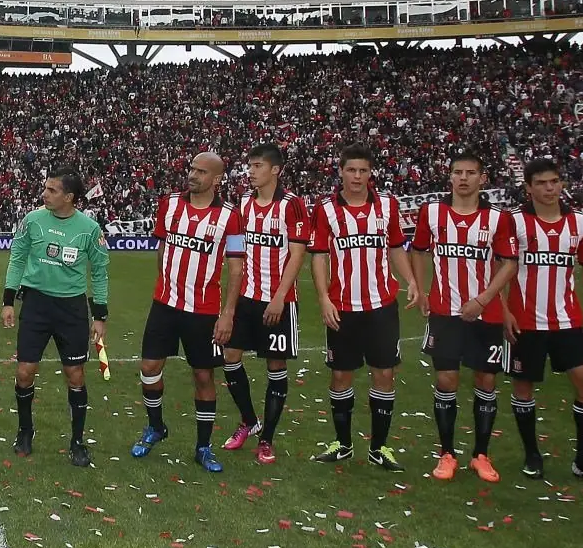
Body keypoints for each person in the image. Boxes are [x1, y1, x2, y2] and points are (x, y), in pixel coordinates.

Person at [469, 158, 583, 489]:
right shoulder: (514, 221)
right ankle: (532, 454)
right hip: (524, 321)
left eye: (554, 181)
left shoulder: (579, 222)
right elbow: (499, 267)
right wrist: (504, 310)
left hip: (568, 320)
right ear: (528, 188)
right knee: (523, 388)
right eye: (541, 183)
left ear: (561, 183)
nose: (549, 188)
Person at [310, 144, 416, 471]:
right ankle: (343, 444)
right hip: (342, 307)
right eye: (351, 170)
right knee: (341, 375)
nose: (357, 176)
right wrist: (324, 298)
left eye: (363, 170)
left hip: (381, 306)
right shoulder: (326, 209)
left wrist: (411, 280)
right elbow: (319, 256)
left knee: (384, 373)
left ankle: (379, 448)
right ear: (340, 171)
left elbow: (396, 247)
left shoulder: (387, 205)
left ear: (370, 173)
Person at [131, 150, 238, 473]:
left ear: (217, 179)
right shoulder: (170, 204)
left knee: (204, 375)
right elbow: (163, 249)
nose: (193, 175)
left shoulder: (231, 217)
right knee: (149, 368)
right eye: (191, 169)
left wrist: (227, 314)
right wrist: (165, 284)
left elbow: (236, 268)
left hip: (203, 311)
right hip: (165, 305)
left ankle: (203, 447)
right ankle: (156, 426)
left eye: (201, 171)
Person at [2, 168, 110, 466]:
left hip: (71, 309)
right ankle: (25, 431)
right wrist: (8, 301)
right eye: (45, 188)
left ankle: (77, 441)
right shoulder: (32, 220)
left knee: (75, 375)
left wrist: (100, 316)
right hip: (36, 305)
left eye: (52, 190)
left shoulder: (89, 229)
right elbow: (17, 258)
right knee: (24, 372)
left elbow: (99, 272)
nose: (44, 194)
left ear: (69, 197)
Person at [411, 151, 507, 482]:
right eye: (457, 172)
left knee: (486, 380)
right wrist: (422, 289)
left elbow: (509, 263)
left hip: (486, 313)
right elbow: (418, 250)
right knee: (446, 380)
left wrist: (483, 299)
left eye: (470, 173)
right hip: (445, 312)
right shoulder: (432, 212)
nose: (463, 178)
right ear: (450, 176)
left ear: (483, 178)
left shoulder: (497, 218)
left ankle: (481, 455)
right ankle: (447, 453)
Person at [217, 143, 311, 464]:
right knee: (230, 357)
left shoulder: (292, 205)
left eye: (257, 166)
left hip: (278, 301)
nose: (251, 171)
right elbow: (236, 247)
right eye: (250, 166)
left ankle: (267, 439)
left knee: (275, 366)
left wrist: (280, 298)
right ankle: (248, 421)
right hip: (245, 297)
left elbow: (297, 255)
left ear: (275, 170)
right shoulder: (244, 202)